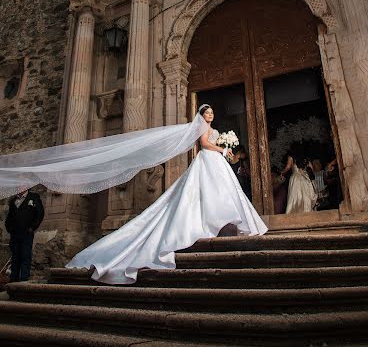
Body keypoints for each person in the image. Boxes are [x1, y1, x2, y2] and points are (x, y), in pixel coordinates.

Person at [66, 105, 267, 284]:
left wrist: (226, 151)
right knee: (206, 191)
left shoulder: (213, 129)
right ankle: (212, 221)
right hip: (208, 159)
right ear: (201, 115)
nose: (210, 115)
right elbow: (204, 144)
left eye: (212, 113)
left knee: (221, 191)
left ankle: (221, 221)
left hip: (216, 161)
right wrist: (222, 149)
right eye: (207, 113)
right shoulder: (202, 128)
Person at [5, 187, 44, 282]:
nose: (19, 186)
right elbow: (10, 215)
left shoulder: (34, 197)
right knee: (15, 256)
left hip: (26, 232)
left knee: (25, 255)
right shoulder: (13, 200)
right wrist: (9, 228)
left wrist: (32, 228)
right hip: (15, 233)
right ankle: (13, 278)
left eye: (22, 184)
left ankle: (24, 278)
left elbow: (40, 213)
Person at [284, 148, 317, 214]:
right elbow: (311, 169)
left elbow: (288, 167)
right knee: (305, 195)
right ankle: (306, 210)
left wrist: (282, 173)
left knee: (295, 196)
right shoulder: (306, 159)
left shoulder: (291, 157)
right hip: (305, 178)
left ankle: (294, 211)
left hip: (295, 178)